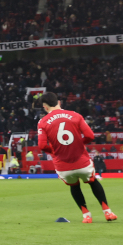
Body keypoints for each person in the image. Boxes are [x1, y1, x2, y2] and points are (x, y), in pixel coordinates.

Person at [36, 93, 116, 223]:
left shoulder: (43, 122)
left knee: (74, 186)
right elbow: (90, 136)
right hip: (82, 161)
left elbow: (42, 145)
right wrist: (78, 143)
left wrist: (55, 151)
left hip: (63, 165)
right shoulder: (75, 115)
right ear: (59, 102)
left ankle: (86, 215)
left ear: (45, 107)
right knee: (93, 181)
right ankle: (108, 212)